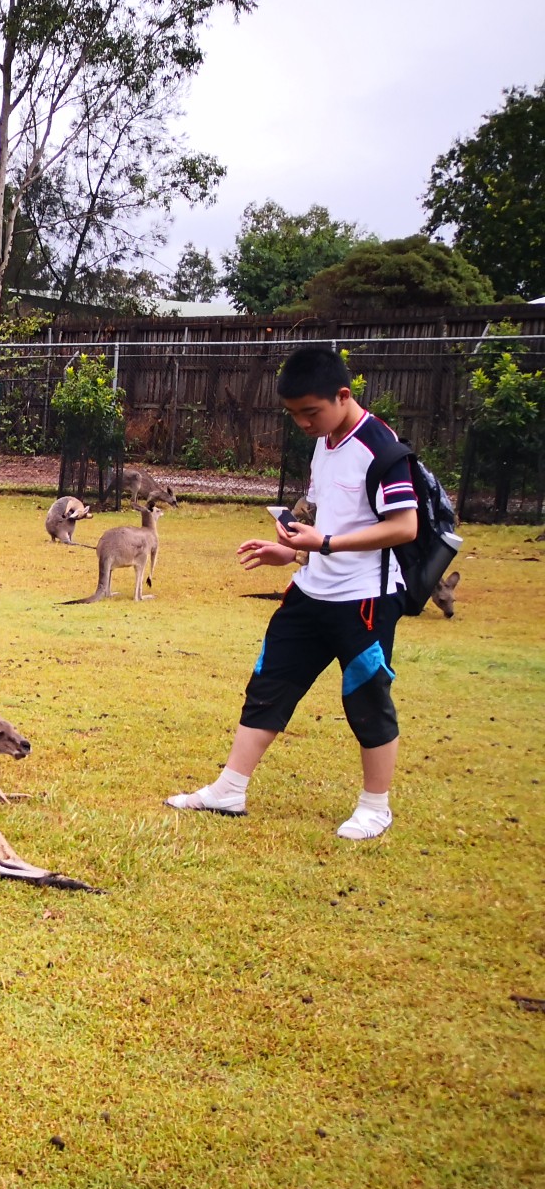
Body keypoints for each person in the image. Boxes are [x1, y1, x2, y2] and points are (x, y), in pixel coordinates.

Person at [168, 345, 419, 840]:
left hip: (364, 598)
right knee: (270, 683)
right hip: (310, 592)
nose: (304, 423)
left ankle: (375, 807)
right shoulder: (324, 443)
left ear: (342, 396)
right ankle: (229, 789)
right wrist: (294, 551)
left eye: (311, 411)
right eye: (295, 414)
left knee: (366, 697)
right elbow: (326, 518)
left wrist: (324, 542)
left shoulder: (381, 448)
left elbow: (405, 526)